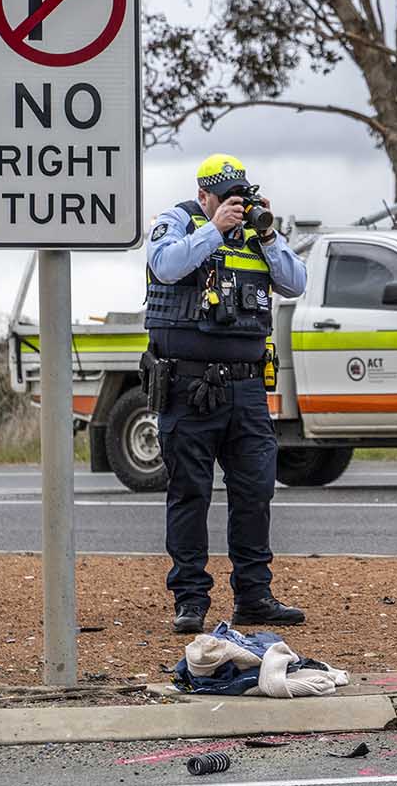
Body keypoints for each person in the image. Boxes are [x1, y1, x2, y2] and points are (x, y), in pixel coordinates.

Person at [144, 154, 308, 634]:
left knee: (255, 492)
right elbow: (165, 266)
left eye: (241, 195)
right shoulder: (180, 221)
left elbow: (295, 283)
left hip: (247, 387)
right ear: (205, 196)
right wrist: (213, 227)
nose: (235, 205)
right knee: (189, 494)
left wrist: (269, 234)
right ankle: (190, 600)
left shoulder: (256, 234)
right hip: (188, 385)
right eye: (226, 197)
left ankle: (254, 597)